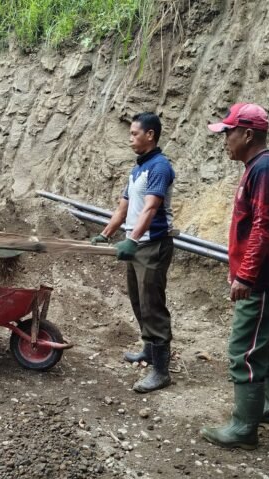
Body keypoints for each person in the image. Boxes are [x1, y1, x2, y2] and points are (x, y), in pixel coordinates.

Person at [200, 103, 269, 450]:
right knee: (268, 347)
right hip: (267, 281)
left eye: (228, 132)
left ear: (248, 134)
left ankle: (244, 428)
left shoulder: (265, 170)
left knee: (246, 350)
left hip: (263, 283)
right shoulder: (258, 168)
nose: (224, 139)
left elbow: (262, 228)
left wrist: (246, 276)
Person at [91, 112, 176, 393]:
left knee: (153, 304)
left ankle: (161, 371)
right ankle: (148, 351)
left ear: (150, 135)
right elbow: (123, 208)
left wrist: (134, 238)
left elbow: (151, 208)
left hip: (152, 245)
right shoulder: (137, 169)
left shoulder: (160, 167)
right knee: (139, 301)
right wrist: (105, 235)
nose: (130, 140)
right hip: (136, 244)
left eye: (134, 134)